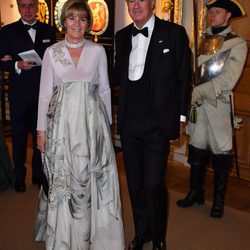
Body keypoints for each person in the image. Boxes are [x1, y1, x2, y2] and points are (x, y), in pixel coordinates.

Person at [34, 0, 125, 249]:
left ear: (88, 23)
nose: (77, 23)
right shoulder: (52, 52)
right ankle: (65, 237)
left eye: (82, 19)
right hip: (61, 126)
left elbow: (105, 89)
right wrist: (41, 130)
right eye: (72, 18)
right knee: (64, 181)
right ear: (63, 22)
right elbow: (44, 94)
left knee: (88, 180)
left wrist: (107, 126)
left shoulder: (97, 52)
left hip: (91, 127)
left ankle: (89, 237)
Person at [112, 0, 191, 249]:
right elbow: (114, 75)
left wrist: (180, 117)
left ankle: (158, 239)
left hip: (157, 123)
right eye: (130, 0)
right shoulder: (121, 36)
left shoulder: (174, 33)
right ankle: (142, 232)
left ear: (152, 3)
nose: (135, 5)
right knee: (134, 183)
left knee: (154, 183)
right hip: (128, 123)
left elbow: (183, 77)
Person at [176, 0, 248, 218]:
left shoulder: (237, 44)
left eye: (217, 12)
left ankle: (218, 201)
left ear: (228, 16)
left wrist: (197, 93)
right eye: (211, 12)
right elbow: (189, 71)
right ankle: (195, 192)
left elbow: (228, 79)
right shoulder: (199, 40)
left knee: (220, 156)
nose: (212, 15)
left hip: (219, 107)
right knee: (196, 151)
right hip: (197, 107)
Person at [0, 0, 56, 193]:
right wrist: (16, 64)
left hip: (43, 94)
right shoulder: (7, 31)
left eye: (32, 5)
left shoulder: (49, 30)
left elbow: (54, 58)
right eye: (23, 5)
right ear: (18, 6)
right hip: (19, 94)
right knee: (18, 137)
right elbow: (1, 60)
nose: (28, 10)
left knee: (40, 136)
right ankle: (19, 177)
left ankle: (38, 174)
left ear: (37, 6)